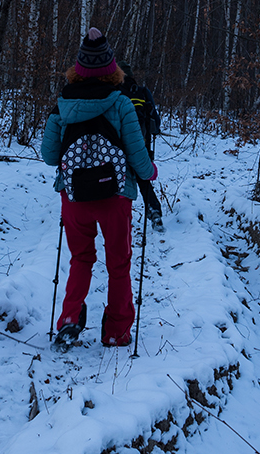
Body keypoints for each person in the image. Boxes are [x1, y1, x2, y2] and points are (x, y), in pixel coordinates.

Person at [41, 28, 156, 349]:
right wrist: (151, 172)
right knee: (118, 263)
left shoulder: (63, 105)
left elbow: (49, 156)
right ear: (112, 70)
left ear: (77, 70)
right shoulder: (121, 105)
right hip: (115, 195)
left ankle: (69, 318)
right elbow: (138, 157)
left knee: (81, 258)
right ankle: (116, 331)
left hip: (74, 197)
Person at [120, 62, 164, 230]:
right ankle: (154, 211)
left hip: (115, 149)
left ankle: (117, 219)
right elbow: (155, 124)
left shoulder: (112, 94)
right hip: (141, 146)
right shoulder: (143, 93)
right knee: (143, 180)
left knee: (115, 182)